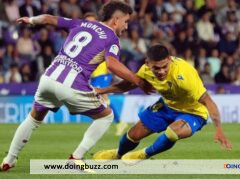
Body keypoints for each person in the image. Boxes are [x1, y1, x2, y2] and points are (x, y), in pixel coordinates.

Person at [0, 1, 153, 171]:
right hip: (72, 84)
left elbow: (49, 19)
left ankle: (9, 159)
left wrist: (31, 20)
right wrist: (137, 80)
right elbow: (112, 64)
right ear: (116, 20)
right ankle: (76, 157)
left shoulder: (80, 23)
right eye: (126, 21)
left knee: (33, 118)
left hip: (48, 78)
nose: (126, 26)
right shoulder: (112, 38)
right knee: (106, 116)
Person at [93, 44, 232, 164]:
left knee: (172, 133)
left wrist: (218, 129)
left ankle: (144, 154)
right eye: (156, 68)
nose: (161, 71)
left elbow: (208, 100)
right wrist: (102, 90)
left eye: (164, 67)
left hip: (194, 112)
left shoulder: (184, 75)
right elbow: (128, 85)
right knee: (133, 134)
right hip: (167, 106)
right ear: (148, 63)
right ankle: (118, 154)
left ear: (170, 60)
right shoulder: (146, 70)